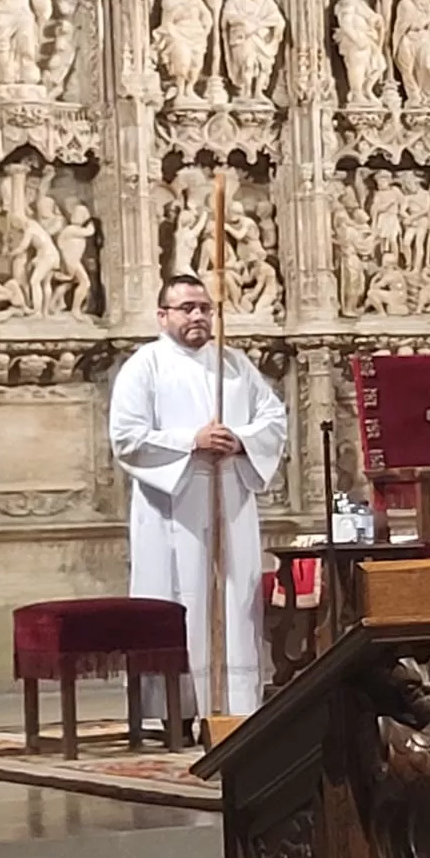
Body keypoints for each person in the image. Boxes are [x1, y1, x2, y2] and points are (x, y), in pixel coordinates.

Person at [110, 274, 288, 728]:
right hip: (174, 507)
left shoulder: (233, 365)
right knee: (178, 598)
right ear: (163, 315)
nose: (198, 316)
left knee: (233, 595)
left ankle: (235, 706)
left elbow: (273, 419)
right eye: (186, 307)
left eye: (205, 308)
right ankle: (176, 709)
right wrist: (192, 440)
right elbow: (127, 438)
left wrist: (241, 440)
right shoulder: (144, 366)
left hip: (230, 500)